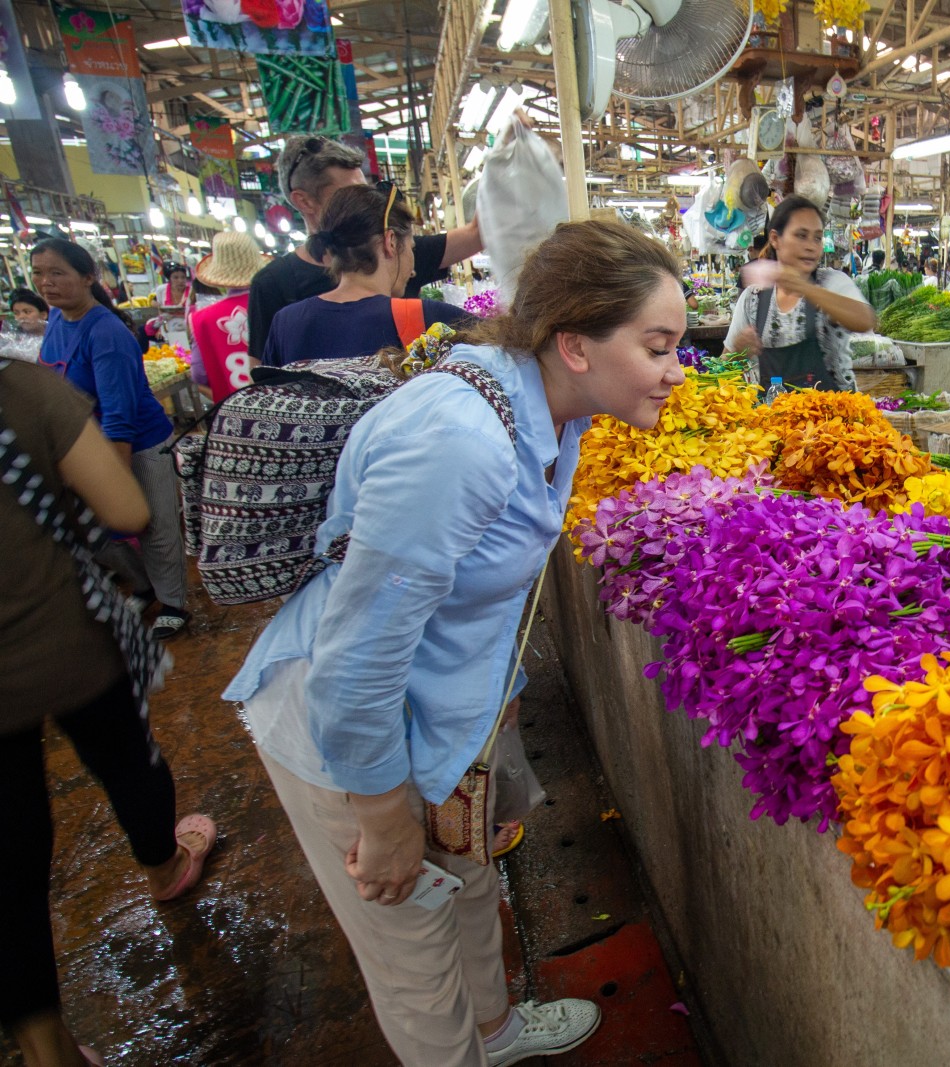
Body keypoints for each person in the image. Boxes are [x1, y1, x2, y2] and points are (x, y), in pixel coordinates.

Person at [221, 219, 683, 1065]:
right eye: (658, 346)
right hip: (349, 740)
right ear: (575, 343)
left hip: (437, 724)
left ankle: (498, 1034)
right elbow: (359, 657)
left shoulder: (555, 416)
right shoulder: (459, 440)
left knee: (471, 887)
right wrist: (384, 814)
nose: (676, 371)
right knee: (415, 959)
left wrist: (492, 725)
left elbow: (480, 603)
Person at [0, 358, 214, 1067]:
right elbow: (128, 509)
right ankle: (164, 866)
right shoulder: (24, 391)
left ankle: (44, 1048)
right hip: (61, 642)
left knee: (10, 867)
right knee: (126, 757)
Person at [31, 239, 191, 639]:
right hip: (85, 445)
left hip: (137, 444)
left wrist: (113, 478)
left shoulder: (106, 334)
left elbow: (120, 415)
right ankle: (143, 585)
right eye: (38, 273)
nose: (46, 283)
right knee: (98, 531)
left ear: (88, 278)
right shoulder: (55, 320)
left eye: (57, 273)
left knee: (153, 525)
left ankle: (173, 603)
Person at [249, 135, 483, 361]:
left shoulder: (285, 323)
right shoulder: (273, 284)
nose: (368, 199)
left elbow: (265, 392)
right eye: (352, 193)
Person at [262, 184, 467, 367]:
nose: (413, 269)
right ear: (391, 242)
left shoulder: (286, 323)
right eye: (411, 248)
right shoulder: (434, 320)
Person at [725, 196, 876, 392]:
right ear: (775, 239)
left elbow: (865, 320)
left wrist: (805, 287)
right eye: (801, 235)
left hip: (834, 418)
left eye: (817, 237)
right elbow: (724, 364)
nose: (811, 246)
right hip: (773, 418)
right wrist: (737, 352)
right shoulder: (753, 298)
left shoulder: (832, 282)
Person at [189, 231, 269, 404]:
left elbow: (199, 374)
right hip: (282, 411)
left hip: (233, 414)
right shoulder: (279, 306)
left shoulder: (201, 318)